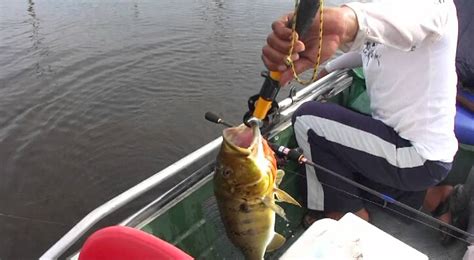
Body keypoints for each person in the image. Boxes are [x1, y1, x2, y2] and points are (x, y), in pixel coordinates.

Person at [262, 0, 462, 237]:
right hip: (411, 150)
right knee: (345, 161)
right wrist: (325, 69)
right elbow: (370, 47)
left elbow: (394, 19)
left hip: (416, 155)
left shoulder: (431, 7)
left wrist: (341, 23)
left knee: (308, 120)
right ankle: (435, 197)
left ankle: (344, 212)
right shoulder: (389, 13)